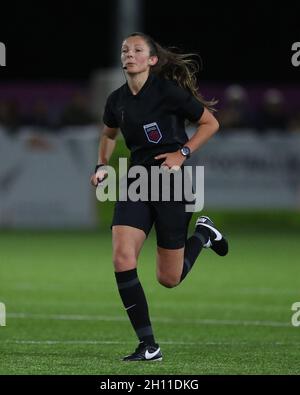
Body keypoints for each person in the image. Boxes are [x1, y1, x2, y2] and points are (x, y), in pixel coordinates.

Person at [90, 32, 229, 362]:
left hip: (173, 183)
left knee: (169, 278)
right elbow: (109, 133)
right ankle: (148, 345)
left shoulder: (168, 92)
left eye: (138, 50)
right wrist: (101, 164)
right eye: (125, 50)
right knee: (122, 257)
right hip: (137, 181)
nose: (129, 54)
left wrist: (182, 153)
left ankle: (203, 236)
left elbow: (210, 123)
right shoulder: (116, 100)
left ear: (152, 60)